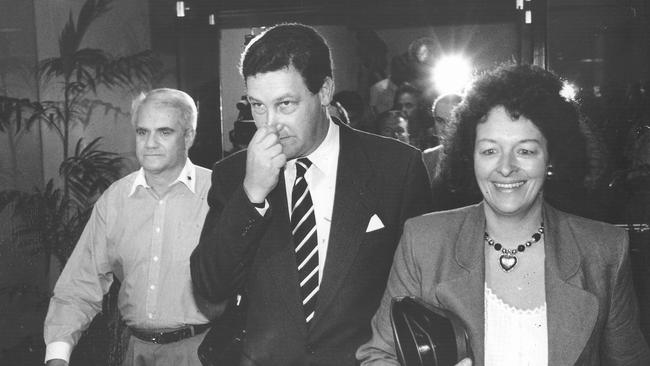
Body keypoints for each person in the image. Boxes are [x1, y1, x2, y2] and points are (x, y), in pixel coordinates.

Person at [357, 64, 650, 365]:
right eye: (489, 151)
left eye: (525, 151)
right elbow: (379, 355)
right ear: (469, 156)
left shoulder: (604, 250)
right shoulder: (424, 241)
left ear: (551, 156)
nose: (506, 167)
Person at [190, 23, 432, 365]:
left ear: (325, 91)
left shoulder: (395, 167)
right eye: (258, 106)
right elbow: (209, 286)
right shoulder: (234, 176)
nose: (270, 124)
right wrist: (252, 195)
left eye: (285, 104)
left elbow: (420, 292)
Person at [43, 88, 224, 366]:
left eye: (164, 132)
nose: (150, 143)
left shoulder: (220, 194)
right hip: (134, 352)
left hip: (203, 352)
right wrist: (57, 356)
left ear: (188, 136)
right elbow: (79, 284)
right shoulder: (115, 200)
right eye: (142, 132)